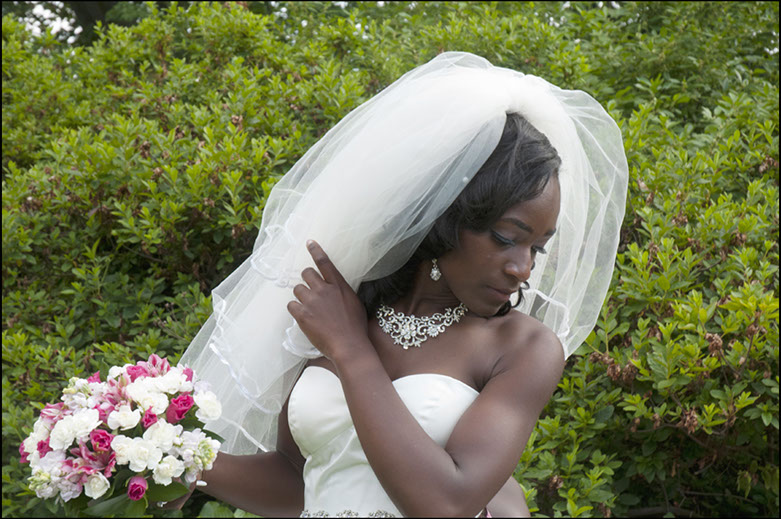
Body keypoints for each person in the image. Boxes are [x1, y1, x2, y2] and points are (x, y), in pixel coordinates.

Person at [170, 51, 628, 517]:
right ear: (445, 216)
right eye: (506, 238)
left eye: (537, 248)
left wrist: (350, 349)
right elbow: (301, 480)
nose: (523, 268)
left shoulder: (523, 348)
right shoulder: (339, 310)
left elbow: (446, 503)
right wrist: (174, 459)